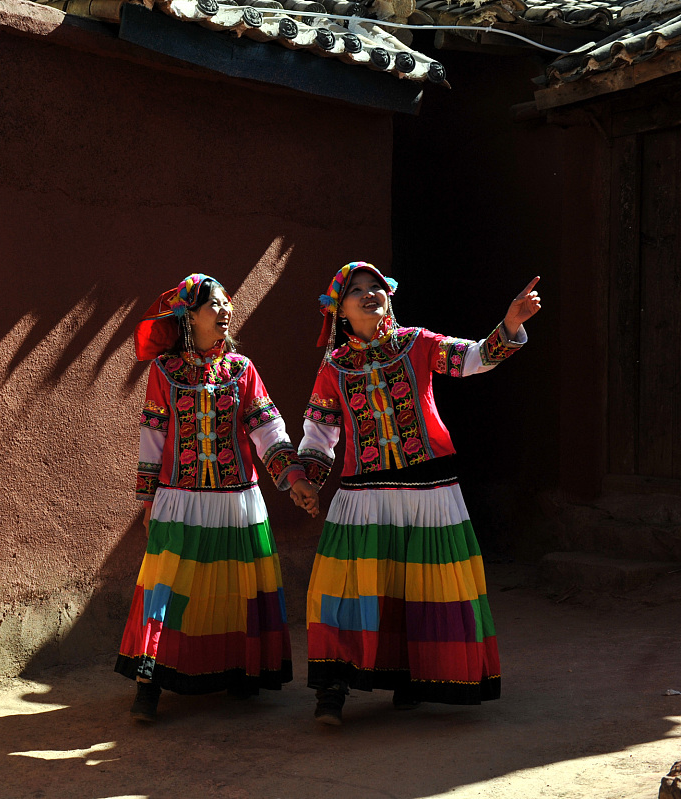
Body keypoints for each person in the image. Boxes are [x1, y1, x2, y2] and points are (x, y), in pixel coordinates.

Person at [287, 261, 541, 725]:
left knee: (418, 588)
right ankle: (332, 687)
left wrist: (509, 324)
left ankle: (412, 676)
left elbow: (473, 358)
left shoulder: (417, 343)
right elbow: (320, 434)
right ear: (339, 310)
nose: (370, 294)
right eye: (357, 290)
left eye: (376, 286)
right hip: (363, 493)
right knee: (343, 590)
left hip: (428, 488)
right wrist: (306, 480)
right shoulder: (334, 367)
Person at [115, 273, 306, 722]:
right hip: (180, 498)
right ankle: (149, 683)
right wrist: (148, 500)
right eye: (213, 305)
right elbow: (152, 437)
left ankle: (238, 669)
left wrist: (293, 476)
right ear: (190, 316)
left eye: (225, 303)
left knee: (235, 588)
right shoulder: (165, 371)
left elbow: (266, 427)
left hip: (237, 497)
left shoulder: (242, 369)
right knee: (166, 589)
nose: (224, 311)